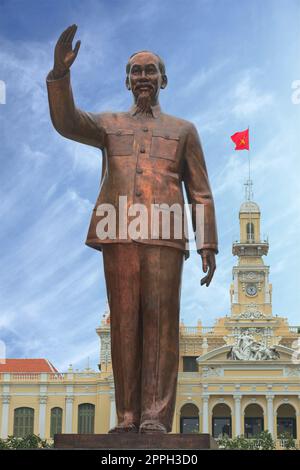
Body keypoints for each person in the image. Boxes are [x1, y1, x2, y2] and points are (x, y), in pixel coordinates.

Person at [46, 24, 218, 434]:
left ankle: (155, 417)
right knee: (124, 325)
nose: (143, 77)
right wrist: (59, 75)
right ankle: (126, 417)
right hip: (119, 233)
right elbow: (67, 121)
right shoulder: (107, 125)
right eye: (136, 71)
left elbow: (201, 192)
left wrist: (206, 242)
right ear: (127, 81)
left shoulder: (184, 130)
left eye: (150, 71)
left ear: (164, 79)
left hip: (165, 234)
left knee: (161, 325)